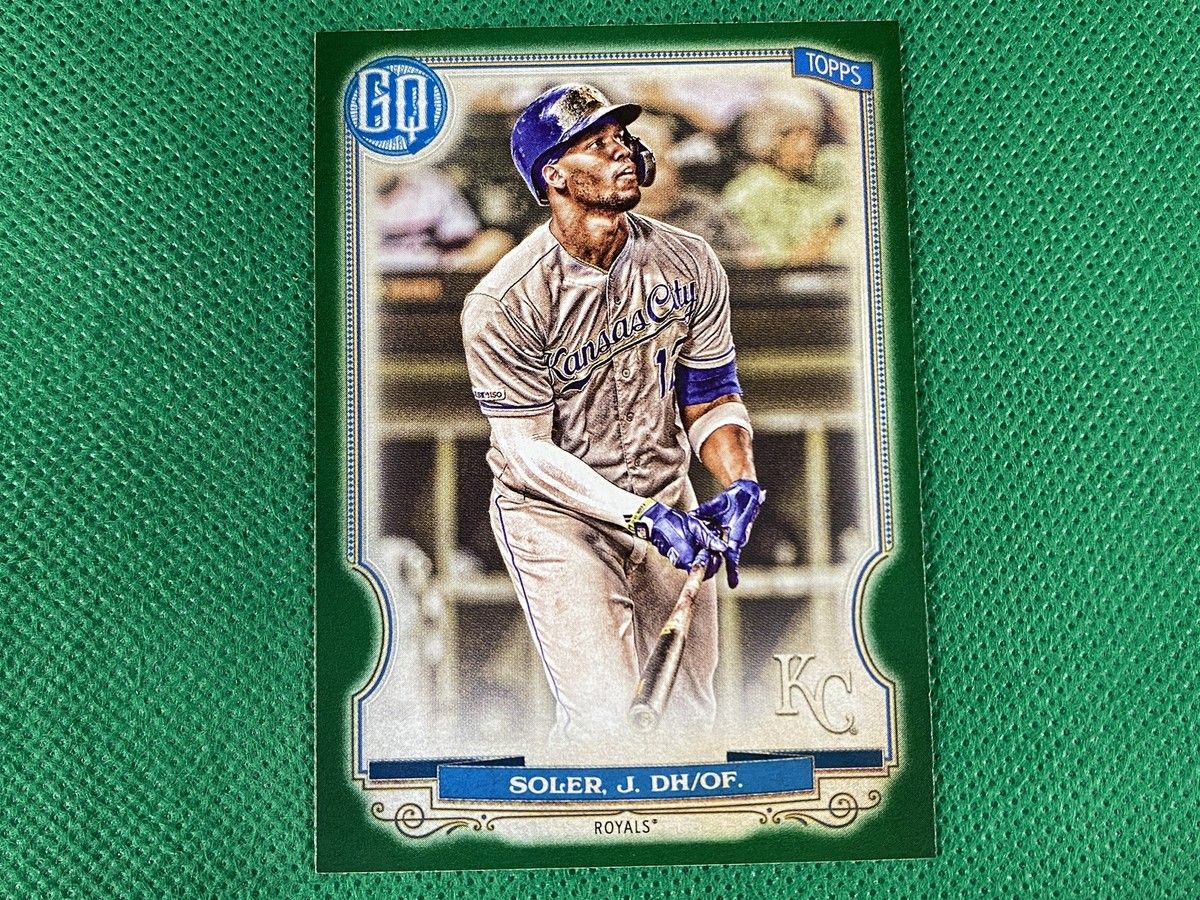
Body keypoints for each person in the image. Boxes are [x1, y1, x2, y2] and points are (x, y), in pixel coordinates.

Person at [460, 84, 765, 749]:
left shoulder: (689, 260)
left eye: (623, 139)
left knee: (687, 719)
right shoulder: (504, 300)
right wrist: (642, 518)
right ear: (554, 175)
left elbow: (711, 393)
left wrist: (739, 479)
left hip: (665, 497)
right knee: (606, 719)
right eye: (597, 145)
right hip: (556, 518)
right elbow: (526, 452)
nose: (623, 152)